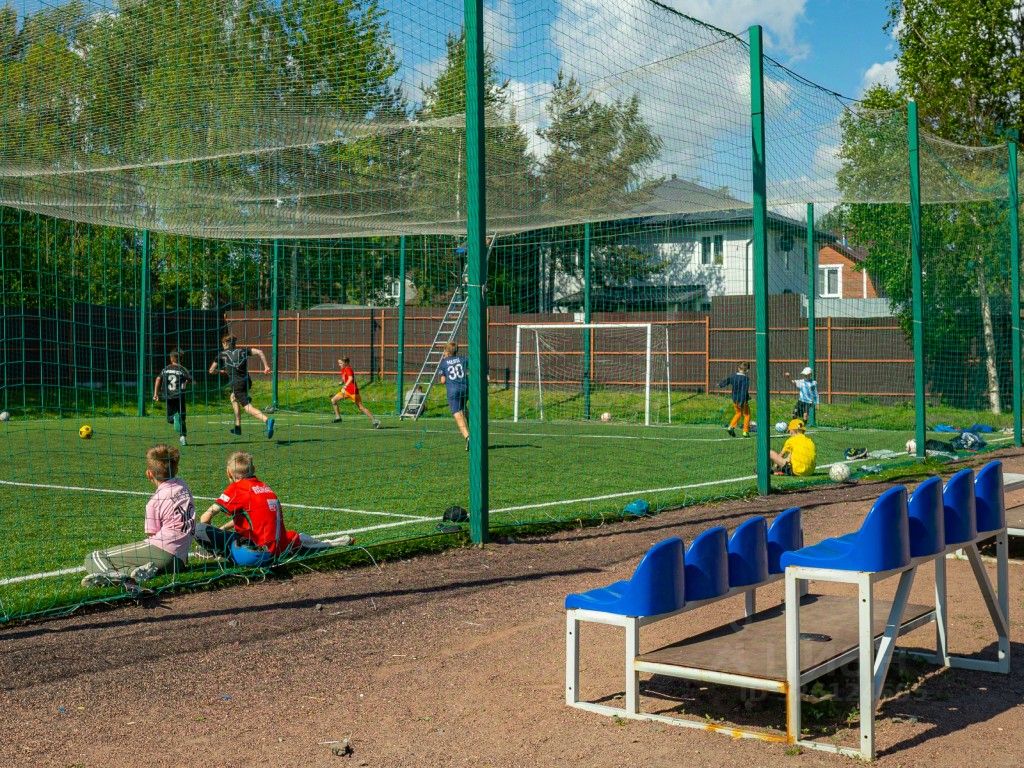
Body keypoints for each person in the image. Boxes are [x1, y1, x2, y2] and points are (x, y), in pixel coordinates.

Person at [194, 451, 353, 560]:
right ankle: (332, 543)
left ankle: (213, 552)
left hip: (253, 551)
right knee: (295, 536)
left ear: (228, 473)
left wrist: (210, 543)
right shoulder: (265, 488)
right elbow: (250, 518)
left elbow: (206, 517)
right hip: (280, 547)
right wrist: (222, 528)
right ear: (254, 469)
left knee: (199, 529)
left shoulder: (237, 489)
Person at [82, 444, 195, 589]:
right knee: (130, 561)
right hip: (179, 561)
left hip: (162, 553)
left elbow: (152, 535)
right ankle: (133, 573)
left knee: (94, 557)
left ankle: (113, 577)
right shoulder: (183, 486)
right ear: (177, 470)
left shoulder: (155, 501)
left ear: (149, 474)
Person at [209, 334, 274, 438]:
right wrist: (266, 367)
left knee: (247, 408)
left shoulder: (221, 355)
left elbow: (211, 370)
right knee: (233, 398)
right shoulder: (243, 351)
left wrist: (220, 371)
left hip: (236, 384)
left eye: (223, 343)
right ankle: (237, 427)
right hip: (247, 381)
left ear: (225, 343)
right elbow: (260, 352)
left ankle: (267, 420)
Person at [153, 348, 192, 446]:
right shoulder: (182, 369)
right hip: (180, 396)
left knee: (170, 419)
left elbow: (158, 379)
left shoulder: (165, 369)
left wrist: (155, 394)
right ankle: (183, 437)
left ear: (171, 359)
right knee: (182, 418)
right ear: (181, 359)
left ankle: (174, 419)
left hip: (168, 396)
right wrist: (185, 383)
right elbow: (190, 379)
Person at [331, 357, 381, 428]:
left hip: (353, 392)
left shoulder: (348, 369)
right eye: (339, 363)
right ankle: (338, 417)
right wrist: (342, 382)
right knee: (333, 400)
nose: (339, 364)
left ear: (346, 363)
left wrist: (344, 386)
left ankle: (375, 421)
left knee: (361, 407)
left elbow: (350, 378)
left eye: (341, 363)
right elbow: (345, 378)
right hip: (346, 391)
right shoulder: (343, 369)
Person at [438, 341, 470, 449]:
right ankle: (475, 431)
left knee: (457, 413)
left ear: (447, 351)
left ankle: (468, 437)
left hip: (453, 390)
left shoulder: (444, 362)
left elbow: (442, 380)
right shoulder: (463, 359)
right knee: (464, 408)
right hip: (465, 388)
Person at [719, 362, 751, 438]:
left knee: (738, 413)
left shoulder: (733, 376)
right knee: (747, 415)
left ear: (738, 368)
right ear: (747, 370)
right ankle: (745, 431)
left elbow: (727, 381)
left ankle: (731, 427)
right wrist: (743, 400)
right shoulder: (746, 379)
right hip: (743, 400)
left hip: (735, 399)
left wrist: (721, 384)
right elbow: (744, 390)